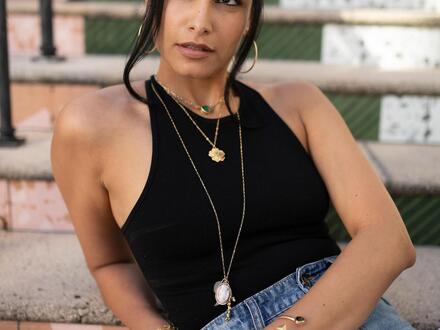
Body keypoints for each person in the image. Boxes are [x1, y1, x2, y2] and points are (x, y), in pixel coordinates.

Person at [50, 0, 417, 329]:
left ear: (248, 18)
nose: (200, 21)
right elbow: (110, 265)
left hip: (339, 310)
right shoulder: (90, 126)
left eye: (227, 1)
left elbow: (388, 239)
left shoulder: (300, 104)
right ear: (153, 5)